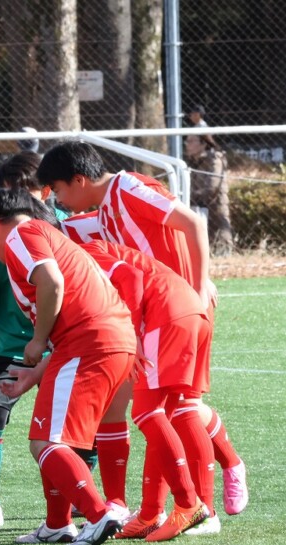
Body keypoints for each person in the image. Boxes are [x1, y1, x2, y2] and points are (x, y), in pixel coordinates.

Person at [37, 141, 248, 518]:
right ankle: (154, 510)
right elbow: (56, 233)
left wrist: (199, 285)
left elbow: (193, 222)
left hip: (181, 312)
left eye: (58, 190)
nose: (59, 200)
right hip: (158, 317)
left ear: (79, 180)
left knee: (177, 409)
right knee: (155, 409)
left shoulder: (128, 187)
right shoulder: (104, 211)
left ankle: (210, 495)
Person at [0, 188, 135, 545]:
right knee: (58, 437)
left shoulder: (21, 233)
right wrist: (35, 372)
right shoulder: (48, 234)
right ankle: (58, 523)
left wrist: (37, 339)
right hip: (107, 339)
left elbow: (52, 282)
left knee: (46, 443)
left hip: (87, 343)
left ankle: (98, 515)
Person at [0, 152, 97, 529]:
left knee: (78, 425)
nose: (14, 202)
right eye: (8, 193)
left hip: (61, 344)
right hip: (12, 346)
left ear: (45, 192)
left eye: (23, 191)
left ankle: (80, 500)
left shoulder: (67, 229)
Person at [80, 240, 213, 541]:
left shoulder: (82, 251)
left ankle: (189, 503)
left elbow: (132, 277)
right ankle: (151, 514)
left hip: (166, 314)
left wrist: (133, 333)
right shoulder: (88, 249)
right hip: (190, 310)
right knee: (162, 416)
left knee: (146, 412)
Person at [185, 133, 234, 256]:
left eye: (191, 141)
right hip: (197, 206)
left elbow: (212, 187)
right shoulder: (192, 161)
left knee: (221, 236)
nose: (187, 144)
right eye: (187, 141)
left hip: (215, 206)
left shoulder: (215, 159)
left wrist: (190, 197)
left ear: (203, 144)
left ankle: (224, 254)